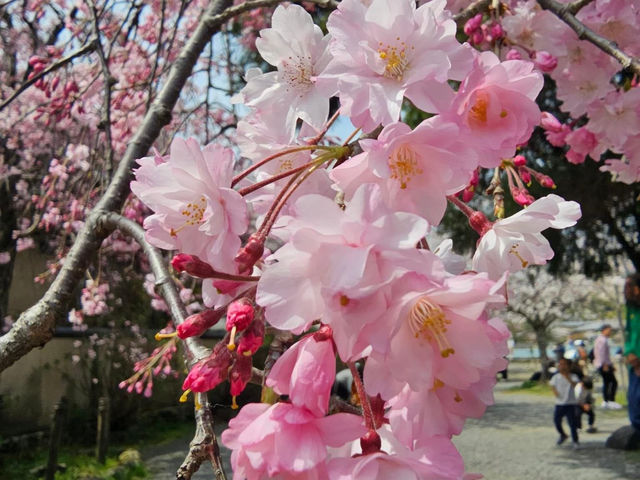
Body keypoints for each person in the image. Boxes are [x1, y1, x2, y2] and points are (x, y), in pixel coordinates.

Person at [550, 358, 581, 449]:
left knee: (572, 423)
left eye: (564, 364)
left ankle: (575, 441)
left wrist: (567, 376)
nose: (562, 366)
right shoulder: (556, 376)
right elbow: (552, 385)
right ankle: (563, 434)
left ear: (569, 366)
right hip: (559, 403)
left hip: (571, 403)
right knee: (557, 421)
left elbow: (575, 385)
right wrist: (555, 392)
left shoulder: (574, 376)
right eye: (560, 364)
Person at [624, 273, 640, 430]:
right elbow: (628, 333)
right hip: (633, 363)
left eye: (629, 286)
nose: (625, 290)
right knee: (634, 401)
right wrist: (629, 353)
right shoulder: (631, 308)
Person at [593, 324, 621, 409]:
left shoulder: (602, 339)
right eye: (609, 330)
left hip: (604, 364)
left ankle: (606, 401)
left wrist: (611, 365)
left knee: (607, 382)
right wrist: (604, 365)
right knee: (613, 382)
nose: (610, 332)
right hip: (603, 364)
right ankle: (611, 400)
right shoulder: (602, 340)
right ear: (604, 330)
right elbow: (601, 354)